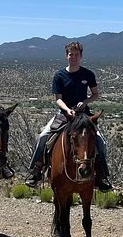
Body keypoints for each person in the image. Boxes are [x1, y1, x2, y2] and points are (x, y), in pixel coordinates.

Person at [23, 41, 112, 192]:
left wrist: (84, 102)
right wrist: (66, 109)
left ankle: (102, 175)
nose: (74, 57)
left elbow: (96, 94)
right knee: (43, 137)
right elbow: (58, 98)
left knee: (100, 142)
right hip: (64, 114)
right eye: (71, 54)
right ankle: (35, 171)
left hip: (83, 115)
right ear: (66, 56)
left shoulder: (88, 74)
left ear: (81, 56)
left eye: (77, 54)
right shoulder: (59, 75)